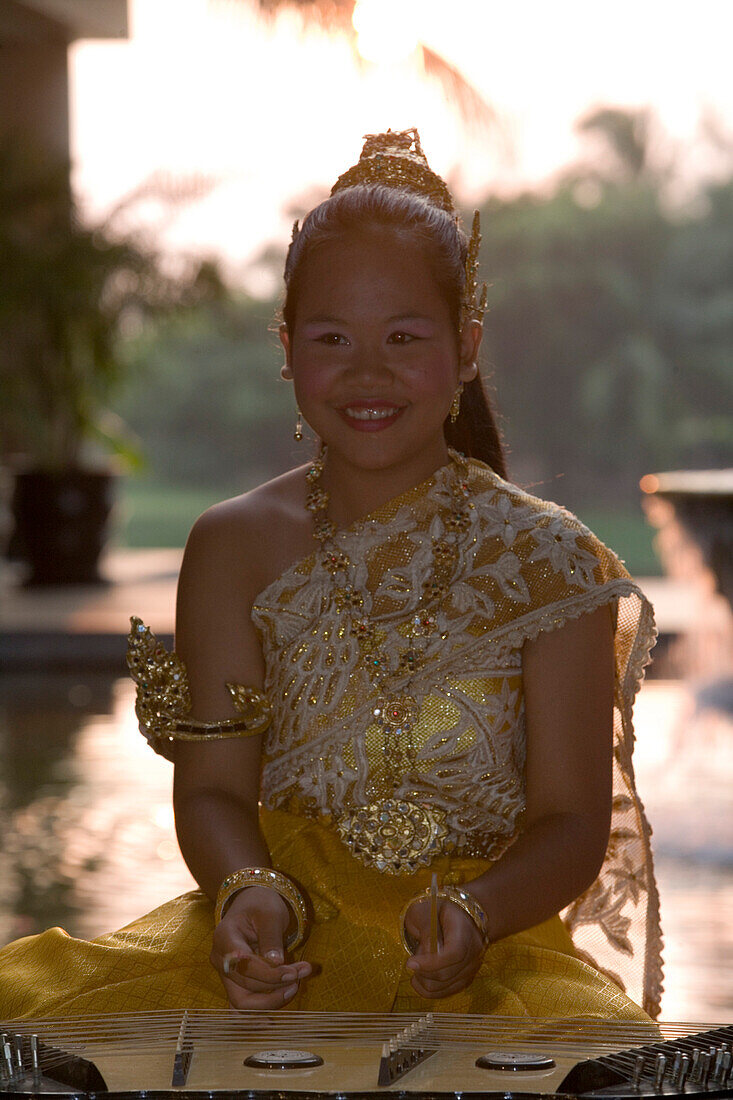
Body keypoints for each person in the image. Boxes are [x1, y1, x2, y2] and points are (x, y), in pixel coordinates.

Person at [0, 129, 661, 1022]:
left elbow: (571, 825)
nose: (367, 370)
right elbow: (212, 791)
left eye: (403, 335)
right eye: (330, 337)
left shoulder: (546, 559)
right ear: (285, 346)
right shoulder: (232, 544)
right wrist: (247, 893)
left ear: (465, 347)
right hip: (276, 940)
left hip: (490, 954)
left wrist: (476, 913)